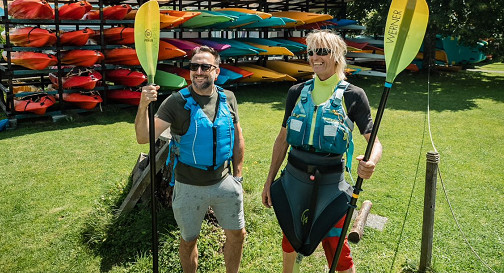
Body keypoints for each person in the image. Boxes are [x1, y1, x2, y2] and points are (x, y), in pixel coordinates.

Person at [261, 29, 382, 273]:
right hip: (294, 180)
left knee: (336, 244)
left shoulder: (353, 95)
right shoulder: (297, 92)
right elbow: (282, 139)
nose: (315, 57)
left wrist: (371, 162)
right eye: (311, 52)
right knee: (290, 239)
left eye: (322, 52)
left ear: (336, 55)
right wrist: (269, 181)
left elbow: (374, 142)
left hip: (331, 185)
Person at [135, 45, 246, 273]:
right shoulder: (176, 102)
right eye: (193, 66)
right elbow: (143, 137)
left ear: (216, 71)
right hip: (188, 185)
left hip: (224, 181)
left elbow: (237, 136)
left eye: (205, 66)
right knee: (188, 240)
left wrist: (238, 175)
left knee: (237, 234)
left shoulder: (229, 98)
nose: (198, 71)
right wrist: (143, 104)